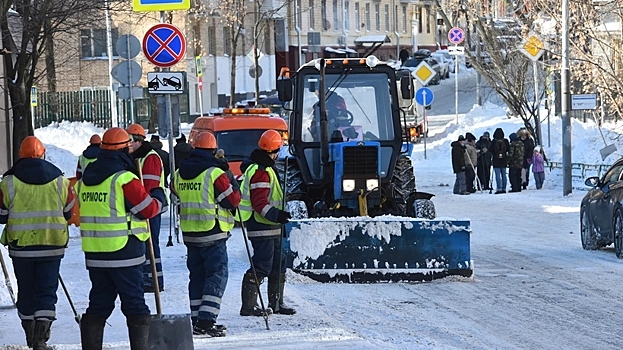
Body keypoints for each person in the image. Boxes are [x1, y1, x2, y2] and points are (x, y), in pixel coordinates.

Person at [78, 127, 164, 350]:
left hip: (95, 253)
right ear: (125, 148)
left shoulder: (87, 178)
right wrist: (158, 198)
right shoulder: (123, 178)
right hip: (124, 252)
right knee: (135, 304)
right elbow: (147, 209)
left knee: (98, 303)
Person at [0, 136, 75, 350]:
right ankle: (41, 340)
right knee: (46, 291)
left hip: (21, 248)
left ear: (20, 155)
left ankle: (30, 335)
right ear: (43, 154)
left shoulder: (8, 183)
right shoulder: (60, 181)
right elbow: (69, 211)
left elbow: (1, 214)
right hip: (52, 245)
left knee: (26, 290)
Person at [171, 131, 241, 337]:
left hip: (191, 234)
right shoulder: (214, 174)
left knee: (197, 276)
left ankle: (196, 319)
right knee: (217, 275)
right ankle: (207, 320)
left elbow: (173, 188)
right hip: (213, 232)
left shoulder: (180, 172)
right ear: (213, 151)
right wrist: (229, 175)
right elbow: (233, 200)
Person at [238, 129, 296, 316]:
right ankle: (249, 306)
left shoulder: (266, 168)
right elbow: (259, 203)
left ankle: (277, 303)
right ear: (275, 150)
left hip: (271, 226)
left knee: (279, 262)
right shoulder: (261, 171)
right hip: (261, 225)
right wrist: (276, 215)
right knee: (263, 263)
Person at [126, 123, 167, 293]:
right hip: (142, 205)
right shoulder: (135, 157)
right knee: (143, 242)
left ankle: (155, 280)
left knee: (151, 243)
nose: (127, 145)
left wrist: (141, 204)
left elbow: (149, 185)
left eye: (129, 142)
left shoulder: (150, 157)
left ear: (138, 141)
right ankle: (146, 278)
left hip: (151, 206)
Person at [490, 128, 510, 194]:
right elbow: (508, 149)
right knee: (504, 174)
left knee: (497, 174)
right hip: (504, 159)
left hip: (496, 160)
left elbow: (490, 150)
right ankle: (504, 188)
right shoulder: (505, 141)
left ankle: (499, 188)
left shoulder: (494, 141)